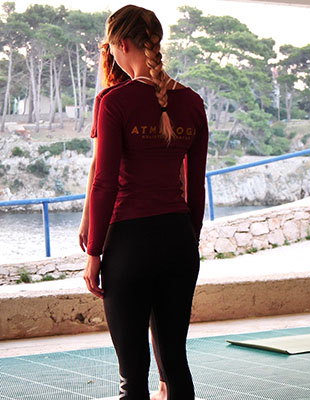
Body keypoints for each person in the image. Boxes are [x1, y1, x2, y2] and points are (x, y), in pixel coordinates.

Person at [82, 5, 209, 399]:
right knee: (175, 363)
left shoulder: (114, 101)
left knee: (133, 376)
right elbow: (195, 187)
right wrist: (189, 241)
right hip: (178, 240)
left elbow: (104, 183)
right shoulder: (193, 102)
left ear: (122, 44)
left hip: (129, 245)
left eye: (110, 47)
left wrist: (94, 252)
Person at [79, 41, 173, 400]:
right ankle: (166, 384)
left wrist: (94, 244)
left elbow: (102, 176)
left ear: (122, 47)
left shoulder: (115, 101)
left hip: (128, 229)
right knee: (167, 339)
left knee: (134, 364)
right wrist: (88, 220)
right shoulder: (180, 98)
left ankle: (164, 384)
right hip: (170, 229)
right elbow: (100, 168)